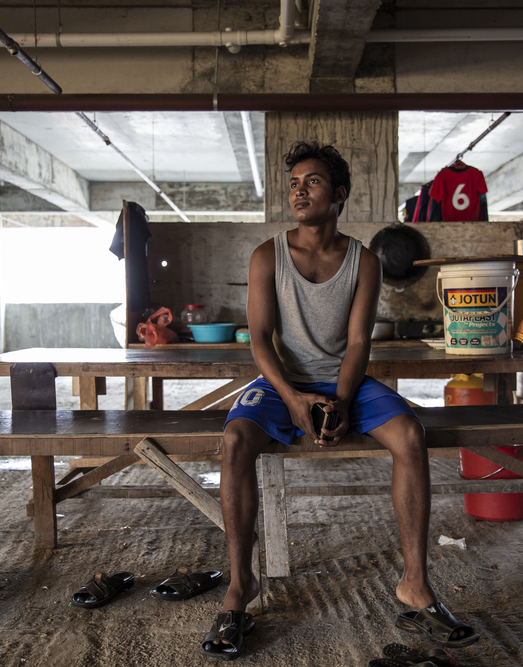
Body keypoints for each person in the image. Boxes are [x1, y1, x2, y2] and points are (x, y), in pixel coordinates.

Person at [201, 141, 480, 660]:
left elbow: (357, 343)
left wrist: (343, 401)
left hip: (344, 379)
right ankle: (241, 586)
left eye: (312, 182)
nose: (299, 191)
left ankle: (414, 583)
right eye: (294, 183)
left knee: (410, 433)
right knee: (235, 438)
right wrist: (293, 398)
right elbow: (258, 339)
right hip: (281, 381)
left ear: (339, 194)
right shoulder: (267, 256)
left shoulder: (365, 261)